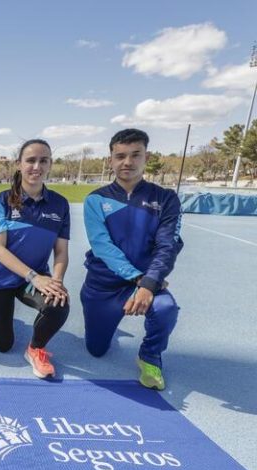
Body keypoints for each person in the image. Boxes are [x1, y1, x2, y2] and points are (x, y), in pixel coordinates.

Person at [81, 129, 184, 390]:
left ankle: (150, 356)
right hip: (103, 284)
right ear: (111, 160)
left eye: (135, 155)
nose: (127, 162)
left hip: (146, 282)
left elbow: (167, 245)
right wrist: (139, 279)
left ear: (146, 157)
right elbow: (102, 246)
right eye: (120, 156)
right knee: (96, 350)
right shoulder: (96, 199)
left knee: (165, 308)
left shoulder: (166, 199)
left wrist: (149, 284)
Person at [0, 139, 70, 379]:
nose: (36, 166)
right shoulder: (3, 200)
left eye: (43, 160)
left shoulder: (60, 205)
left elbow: (61, 251)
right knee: (3, 344)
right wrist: (34, 277)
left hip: (30, 280)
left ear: (50, 164)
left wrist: (56, 281)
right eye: (30, 160)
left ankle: (36, 349)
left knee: (58, 303)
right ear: (19, 164)